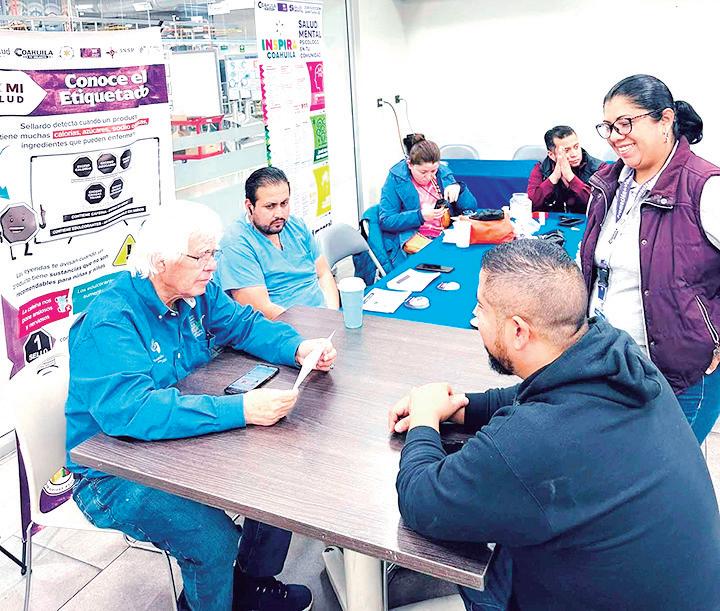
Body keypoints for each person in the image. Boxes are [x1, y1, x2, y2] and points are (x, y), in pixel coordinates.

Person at [389, 239, 720, 611]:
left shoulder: (533, 440)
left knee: (470, 553)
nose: (474, 316)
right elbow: (535, 392)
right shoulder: (619, 356)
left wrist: (424, 418)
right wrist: (460, 407)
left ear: (518, 331)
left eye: (481, 307)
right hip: (679, 588)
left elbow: (420, 499)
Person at [66, 200, 337, 611]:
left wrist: (296, 347)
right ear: (161, 259)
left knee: (279, 478)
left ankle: (250, 586)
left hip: (177, 443)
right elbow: (132, 410)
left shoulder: (196, 291)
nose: (212, 266)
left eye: (214, 253)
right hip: (112, 472)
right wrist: (242, 410)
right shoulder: (112, 319)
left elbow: (242, 324)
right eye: (201, 256)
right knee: (213, 542)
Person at [581, 74, 720, 442]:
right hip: (612, 364)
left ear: (665, 121)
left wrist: (717, 336)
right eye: (608, 127)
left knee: (670, 468)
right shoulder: (608, 184)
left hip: (681, 375)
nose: (615, 136)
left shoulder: (704, 187)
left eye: (626, 123)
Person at [216, 167, 339, 320]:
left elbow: (324, 274)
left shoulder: (296, 225)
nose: (280, 213)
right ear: (249, 207)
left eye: (284, 203)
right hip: (284, 328)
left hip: (324, 319)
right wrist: (313, 327)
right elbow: (260, 310)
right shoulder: (237, 243)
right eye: (270, 206)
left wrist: (332, 316)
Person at [378, 134, 478, 269]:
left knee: (470, 261)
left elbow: (471, 208)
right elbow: (386, 221)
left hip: (445, 235)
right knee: (449, 264)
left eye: (433, 171)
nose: (429, 176)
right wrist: (420, 216)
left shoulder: (442, 173)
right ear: (410, 164)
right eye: (423, 172)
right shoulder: (396, 179)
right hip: (415, 239)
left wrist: (460, 189)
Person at [526, 125, 604, 213]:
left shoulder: (599, 168)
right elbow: (530, 205)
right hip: (553, 220)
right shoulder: (541, 169)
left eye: (576, 147)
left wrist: (570, 177)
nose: (574, 154)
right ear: (551, 155)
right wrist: (554, 177)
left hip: (587, 221)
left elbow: (600, 204)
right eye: (566, 150)